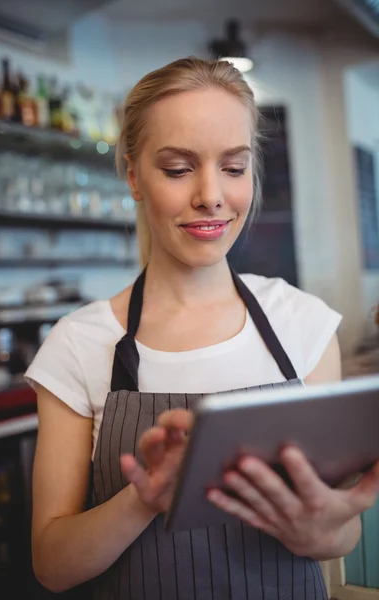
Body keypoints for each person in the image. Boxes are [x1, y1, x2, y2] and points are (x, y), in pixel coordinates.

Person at [26, 57, 379, 600]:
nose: (211, 194)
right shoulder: (79, 344)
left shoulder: (301, 324)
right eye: (177, 168)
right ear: (133, 177)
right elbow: (53, 565)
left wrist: (322, 528)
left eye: (234, 168)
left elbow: (338, 535)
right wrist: (144, 497)